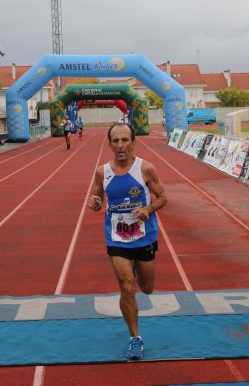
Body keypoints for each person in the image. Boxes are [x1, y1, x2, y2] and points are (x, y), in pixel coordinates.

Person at [87, 123, 168, 359]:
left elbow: (163, 197)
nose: (120, 145)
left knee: (147, 288)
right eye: (116, 141)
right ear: (110, 144)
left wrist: (149, 208)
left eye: (125, 140)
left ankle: (139, 291)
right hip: (117, 238)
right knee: (126, 287)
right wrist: (94, 202)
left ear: (133, 141)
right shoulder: (103, 171)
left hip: (144, 236)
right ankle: (135, 337)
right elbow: (96, 196)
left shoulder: (146, 169)